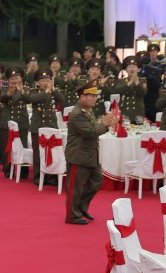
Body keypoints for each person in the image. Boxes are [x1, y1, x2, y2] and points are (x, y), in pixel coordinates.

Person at [65, 81, 115, 225]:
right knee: (75, 188)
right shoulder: (78, 113)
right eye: (91, 96)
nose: (95, 98)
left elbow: (93, 128)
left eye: (95, 96)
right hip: (79, 155)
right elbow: (90, 132)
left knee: (97, 181)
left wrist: (105, 123)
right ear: (82, 97)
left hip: (90, 154)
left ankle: (81, 206)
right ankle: (72, 216)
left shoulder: (87, 110)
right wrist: (104, 124)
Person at [29, 70, 66, 186]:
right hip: (38, 126)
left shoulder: (54, 92)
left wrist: (53, 89)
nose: (46, 82)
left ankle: (51, 177)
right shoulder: (34, 91)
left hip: (51, 126)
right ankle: (38, 177)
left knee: (52, 153)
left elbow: (62, 100)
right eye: (43, 80)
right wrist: (46, 91)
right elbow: (33, 100)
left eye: (48, 80)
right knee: (38, 154)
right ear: (37, 82)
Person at [0, 66, 30, 179]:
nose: (15, 80)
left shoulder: (25, 88)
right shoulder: (4, 88)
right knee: (6, 147)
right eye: (12, 78)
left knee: (23, 146)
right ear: (8, 80)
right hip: (7, 121)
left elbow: (30, 100)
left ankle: (23, 171)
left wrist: (22, 91)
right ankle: (7, 170)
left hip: (21, 121)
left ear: (21, 78)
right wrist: (9, 93)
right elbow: (1, 99)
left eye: (17, 77)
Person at [113, 56, 147, 123]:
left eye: (134, 67)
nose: (132, 69)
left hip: (138, 113)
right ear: (125, 69)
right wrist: (130, 82)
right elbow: (117, 90)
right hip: (125, 113)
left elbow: (142, 92)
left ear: (139, 69)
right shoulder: (122, 81)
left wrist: (136, 82)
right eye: (129, 67)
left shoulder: (143, 81)